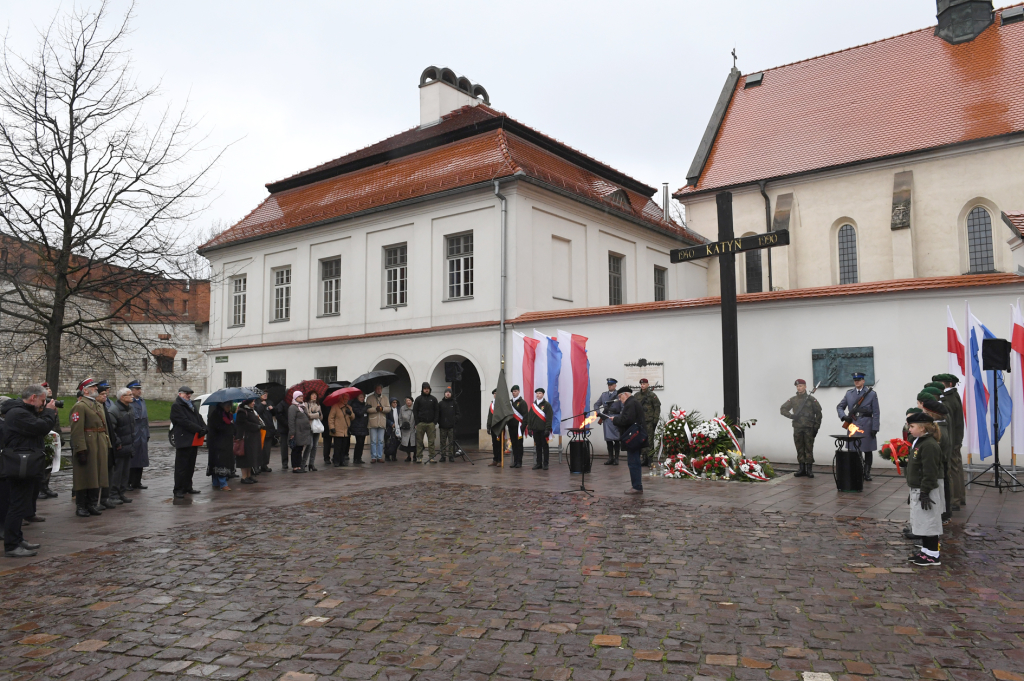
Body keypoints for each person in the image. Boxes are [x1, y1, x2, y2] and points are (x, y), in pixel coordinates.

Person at [0, 384, 58, 557]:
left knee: (22, 503)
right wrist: (48, 412)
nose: (43, 403)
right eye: (41, 400)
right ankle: (11, 545)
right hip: (20, 464)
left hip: (26, 462)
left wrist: (42, 411)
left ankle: (17, 538)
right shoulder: (17, 413)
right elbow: (41, 427)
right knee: (17, 505)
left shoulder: (22, 412)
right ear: (33, 398)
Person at [904, 411, 944, 566]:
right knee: (922, 522)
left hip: (926, 489)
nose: (909, 429)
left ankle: (933, 554)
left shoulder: (929, 445)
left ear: (922, 428)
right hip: (918, 488)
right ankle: (926, 551)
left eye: (912, 426)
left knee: (930, 522)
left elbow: (930, 471)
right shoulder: (919, 442)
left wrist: (925, 491)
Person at [70, 378, 111, 516]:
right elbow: (77, 430)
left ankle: (92, 503)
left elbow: (104, 427)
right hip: (88, 443)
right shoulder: (80, 406)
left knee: (97, 474)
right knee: (85, 475)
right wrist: (80, 449)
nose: (96, 389)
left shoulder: (98, 405)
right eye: (93, 387)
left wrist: (107, 444)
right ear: (85, 390)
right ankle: (81, 505)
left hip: (99, 442)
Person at [836, 372, 880, 481]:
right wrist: (844, 417)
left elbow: (876, 412)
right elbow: (840, 407)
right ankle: (858, 471)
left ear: (863, 381)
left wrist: (875, 427)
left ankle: (867, 472)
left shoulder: (871, 394)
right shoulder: (849, 393)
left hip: (867, 424)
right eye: (855, 380)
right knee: (855, 450)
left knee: (868, 450)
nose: (857, 382)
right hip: (853, 424)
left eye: (859, 380)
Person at [779, 379, 823, 478]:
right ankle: (801, 469)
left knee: (809, 448)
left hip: (808, 427)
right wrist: (791, 416)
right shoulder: (793, 399)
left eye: (801, 386)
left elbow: (819, 414)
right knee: (799, 448)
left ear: (805, 387)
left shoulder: (812, 399)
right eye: (798, 386)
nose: (799, 388)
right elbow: (783, 409)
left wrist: (816, 427)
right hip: (797, 427)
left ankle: (809, 469)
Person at [170, 386, 207, 498]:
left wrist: (204, 427)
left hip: (193, 439)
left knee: (190, 465)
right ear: (180, 394)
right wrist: (198, 429)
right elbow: (183, 421)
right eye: (186, 393)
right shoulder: (177, 406)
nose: (188, 395)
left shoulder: (190, 405)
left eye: (190, 393)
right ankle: (178, 489)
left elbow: (199, 417)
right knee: (181, 466)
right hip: (183, 439)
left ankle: (187, 486)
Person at [935, 374, 965, 510]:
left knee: (952, 470)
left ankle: (954, 500)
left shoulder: (947, 400)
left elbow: (950, 424)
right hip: (956, 438)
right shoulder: (953, 396)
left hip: (952, 439)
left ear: (950, 384)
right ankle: (960, 497)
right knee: (957, 468)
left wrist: (950, 443)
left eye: (940, 383)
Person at [612, 385, 645, 495]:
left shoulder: (630, 403)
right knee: (634, 461)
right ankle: (637, 485)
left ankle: (636, 487)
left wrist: (615, 419)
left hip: (633, 438)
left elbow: (627, 419)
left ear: (625, 394)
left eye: (620, 396)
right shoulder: (633, 401)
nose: (620, 400)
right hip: (636, 437)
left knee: (633, 462)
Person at [106, 388, 136, 505]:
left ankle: (121, 493)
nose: (132, 396)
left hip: (128, 444)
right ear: (122, 397)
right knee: (117, 472)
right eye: (130, 395)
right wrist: (118, 442)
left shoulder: (130, 409)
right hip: (119, 446)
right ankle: (113, 494)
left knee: (125, 472)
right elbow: (112, 430)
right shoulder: (114, 411)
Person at [96, 381, 121, 510]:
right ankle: (95, 501)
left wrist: (115, 441)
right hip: (99, 445)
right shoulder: (95, 408)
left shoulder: (104, 407)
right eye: (102, 394)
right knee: (99, 474)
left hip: (109, 444)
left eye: (106, 394)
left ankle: (105, 498)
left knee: (109, 473)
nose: (105, 396)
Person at [206, 402, 236, 491]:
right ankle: (223, 484)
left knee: (221, 462)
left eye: (229, 406)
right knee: (220, 462)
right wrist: (230, 427)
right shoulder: (216, 414)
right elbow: (217, 427)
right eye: (227, 406)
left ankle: (216, 482)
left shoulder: (227, 414)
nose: (229, 408)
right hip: (218, 443)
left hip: (226, 442)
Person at [127, 380, 150, 491]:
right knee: (132, 460)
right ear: (131, 390)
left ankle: (137, 482)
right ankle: (128, 482)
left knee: (141, 458)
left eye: (140, 389)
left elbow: (145, 420)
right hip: (133, 434)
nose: (139, 391)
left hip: (142, 434)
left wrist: (147, 434)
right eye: (137, 389)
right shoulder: (129, 402)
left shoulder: (142, 401)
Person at [235, 398, 263, 485]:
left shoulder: (250, 410)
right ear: (248, 402)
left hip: (252, 438)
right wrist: (256, 426)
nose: (254, 403)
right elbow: (244, 424)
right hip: (245, 438)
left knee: (251, 457)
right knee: (245, 457)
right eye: (252, 402)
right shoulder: (242, 411)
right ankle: (244, 477)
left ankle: (249, 475)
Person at [594, 378, 622, 466]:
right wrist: (598, 413)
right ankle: (610, 458)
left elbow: (623, 407)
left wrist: (621, 417)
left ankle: (616, 458)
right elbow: (596, 404)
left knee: (617, 439)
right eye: (609, 385)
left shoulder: (619, 395)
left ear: (615, 386)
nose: (610, 386)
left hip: (615, 418)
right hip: (606, 418)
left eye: (611, 385)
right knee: (608, 439)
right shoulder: (604, 395)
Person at [527, 388, 554, 470]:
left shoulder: (547, 405)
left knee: (545, 447)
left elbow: (549, 418)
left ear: (543, 394)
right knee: (538, 447)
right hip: (535, 429)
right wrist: (529, 428)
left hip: (543, 430)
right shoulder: (533, 405)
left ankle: (545, 463)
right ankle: (538, 463)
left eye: (539, 393)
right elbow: (530, 417)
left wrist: (547, 429)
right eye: (537, 393)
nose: (538, 395)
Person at [413, 382, 439, 463]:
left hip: (431, 423)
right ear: (422, 389)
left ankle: (432, 457)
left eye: (427, 388)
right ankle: (419, 457)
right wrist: (417, 422)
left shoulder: (434, 399)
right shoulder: (418, 399)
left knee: (431, 442)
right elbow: (415, 411)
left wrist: (435, 422)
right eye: (425, 389)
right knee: (419, 441)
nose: (426, 390)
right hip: (420, 423)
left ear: (429, 389)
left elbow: (437, 410)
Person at [365, 384, 390, 464]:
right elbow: (367, 409)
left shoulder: (385, 398)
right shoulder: (370, 398)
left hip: (382, 422)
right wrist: (375, 409)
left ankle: (379, 456)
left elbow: (388, 408)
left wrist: (382, 409)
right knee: (373, 441)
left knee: (380, 441)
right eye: (377, 388)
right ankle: (373, 457)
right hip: (373, 422)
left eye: (380, 389)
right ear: (375, 389)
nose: (379, 390)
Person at [287, 391, 311, 473]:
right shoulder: (292, 408)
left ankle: (299, 466)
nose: (301, 397)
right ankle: (295, 467)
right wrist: (292, 433)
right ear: (295, 398)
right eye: (299, 396)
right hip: (297, 432)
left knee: (300, 449)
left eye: (302, 396)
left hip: (303, 432)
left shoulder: (302, 407)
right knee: (296, 450)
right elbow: (291, 421)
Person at [437, 387, 460, 463]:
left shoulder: (454, 403)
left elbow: (458, 414)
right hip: (443, 426)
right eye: (446, 392)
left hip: (451, 427)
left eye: (449, 392)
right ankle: (443, 456)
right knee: (442, 442)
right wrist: (439, 422)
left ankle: (451, 456)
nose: (448, 393)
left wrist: (454, 420)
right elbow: (438, 414)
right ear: (444, 394)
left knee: (451, 442)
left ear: (451, 394)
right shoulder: (440, 403)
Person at [328, 395, 353, 466]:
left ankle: (342, 461)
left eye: (347, 399)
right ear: (341, 399)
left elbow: (353, 417)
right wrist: (332, 427)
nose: (346, 400)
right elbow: (331, 418)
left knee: (344, 447)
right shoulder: (335, 407)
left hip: (346, 431)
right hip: (337, 430)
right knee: (337, 447)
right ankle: (336, 461)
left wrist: (350, 413)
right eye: (345, 399)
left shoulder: (349, 407)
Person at [255, 390, 276, 473]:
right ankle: (256, 465)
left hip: (269, 428)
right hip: (260, 429)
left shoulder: (269, 402)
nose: (265, 395)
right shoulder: (256, 402)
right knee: (259, 448)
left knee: (267, 449)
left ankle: (264, 464)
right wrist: (261, 405)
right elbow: (256, 413)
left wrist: (272, 409)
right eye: (263, 393)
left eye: (266, 393)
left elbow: (275, 413)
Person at [507, 385, 528, 469]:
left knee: (519, 445)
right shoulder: (510, 402)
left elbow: (525, 415)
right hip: (511, 426)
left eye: (515, 391)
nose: (514, 393)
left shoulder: (522, 402)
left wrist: (523, 427)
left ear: (519, 391)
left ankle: (519, 462)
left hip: (519, 427)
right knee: (514, 444)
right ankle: (515, 461)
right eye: (513, 391)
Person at [305, 391, 323, 471]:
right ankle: (303, 463)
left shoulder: (318, 405)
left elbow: (321, 416)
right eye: (312, 395)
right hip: (309, 427)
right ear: (309, 396)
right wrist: (316, 414)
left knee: (315, 446)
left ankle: (311, 464)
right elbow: (307, 415)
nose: (314, 396)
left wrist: (316, 414)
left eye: (316, 395)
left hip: (317, 427)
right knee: (310, 445)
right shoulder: (306, 404)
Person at [349, 392, 369, 464]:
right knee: (359, 442)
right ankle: (355, 458)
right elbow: (359, 413)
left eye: (363, 397)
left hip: (363, 426)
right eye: (360, 397)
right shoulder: (354, 404)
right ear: (357, 397)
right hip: (357, 426)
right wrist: (365, 408)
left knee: (362, 443)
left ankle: (359, 458)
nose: (362, 398)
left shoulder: (364, 404)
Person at [274, 396, 290, 471]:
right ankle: (285, 462)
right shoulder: (281, 404)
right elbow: (279, 415)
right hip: (284, 428)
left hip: (292, 428)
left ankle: (296, 461)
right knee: (284, 446)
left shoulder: (292, 403)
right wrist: (287, 423)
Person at [486, 389, 502, 466]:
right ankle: (495, 459)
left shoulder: (501, 404)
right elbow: (489, 416)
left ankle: (500, 459)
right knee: (494, 444)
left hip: (499, 427)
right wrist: (488, 426)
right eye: (494, 394)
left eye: (496, 393)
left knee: (499, 444)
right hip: (493, 427)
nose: (495, 395)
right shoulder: (492, 404)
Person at [399, 396, 416, 461]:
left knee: (415, 443)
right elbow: (400, 418)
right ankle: (408, 456)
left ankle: (415, 456)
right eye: (407, 400)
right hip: (405, 429)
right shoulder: (402, 408)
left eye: (409, 400)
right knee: (407, 444)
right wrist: (401, 425)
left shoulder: (415, 407)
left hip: (414, 428)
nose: (408, 402)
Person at [385, 398, 401, 462]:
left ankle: (394, 456)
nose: (395, 404)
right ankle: (387, 456)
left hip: (397, 429)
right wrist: (391, 423)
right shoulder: (388, 410)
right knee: (388, 443)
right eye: (393, 402)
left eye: (396, 402)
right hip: (389, 429)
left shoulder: (398, 410)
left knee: (396, 443)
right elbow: (386, 419)